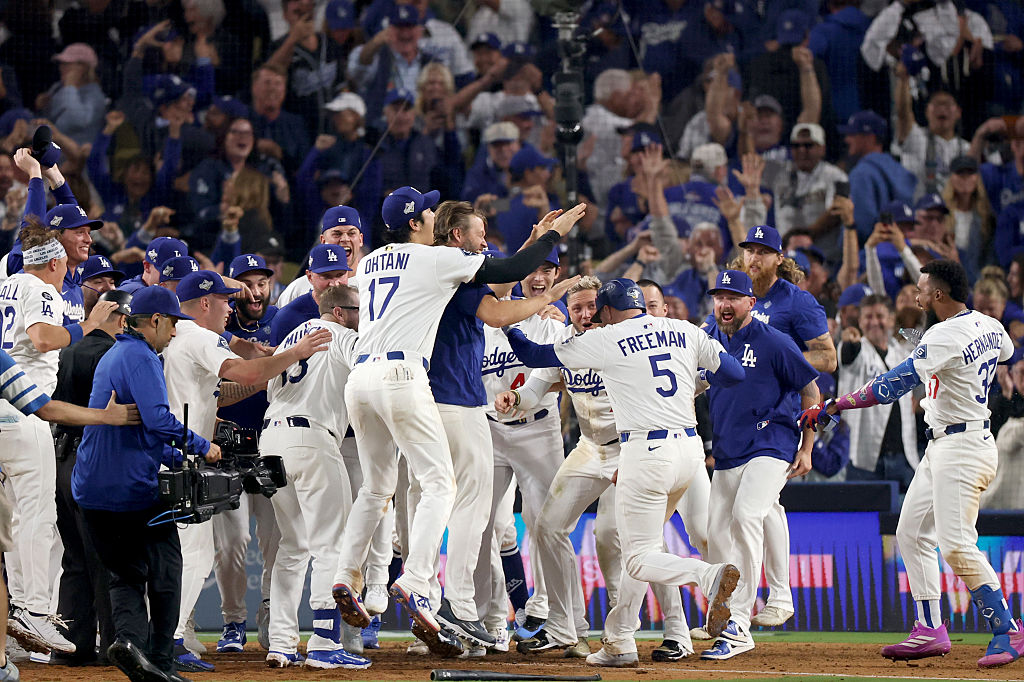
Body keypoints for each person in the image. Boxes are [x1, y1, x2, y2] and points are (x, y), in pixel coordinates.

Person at [330, 186, 585, 655]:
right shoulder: (438, 261)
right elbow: (499, 300)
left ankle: (351, 574)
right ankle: (445, 598)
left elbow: (495, 281)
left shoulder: (373, 262)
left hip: (365, 381)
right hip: (434, 392)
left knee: (385, 491)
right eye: (478, 234)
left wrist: (531, 244)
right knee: (459, 495)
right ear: (425, 226)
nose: (484, 243)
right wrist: (551, 248)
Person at [502, 278, 744, 667]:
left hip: (638, 451)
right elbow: (732, 374)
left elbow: (531, 352)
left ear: (607, 311)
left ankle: (682, 611)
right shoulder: (682, 329)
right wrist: (517, 397)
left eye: (594, 308)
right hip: (655, 447)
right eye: (578, 308)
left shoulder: (606, 338)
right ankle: (597, 633)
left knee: (635, 551)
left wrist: (505, 320)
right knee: (564, 530)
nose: (588, 315)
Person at [801, 260, 1024, 669]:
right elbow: (1007, 352)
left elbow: (892, 385)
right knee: (912, 533)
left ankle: (1007, 628)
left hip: (962, 447)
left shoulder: (942, 335)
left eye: (922, 289)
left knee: (957, 545)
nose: (917, 294)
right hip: (947, 443)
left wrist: (837, 403)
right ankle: (930, 628)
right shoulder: (990, 324)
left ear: (938, 294)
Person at [428, 201, 580, 653]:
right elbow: (502, 282)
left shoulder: (554, 325)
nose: (540, 276)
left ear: (556, 274)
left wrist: (525, 393)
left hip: (538, 431)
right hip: (489, 429)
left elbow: (553, 376)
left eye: (548, 270)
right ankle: (486, 622)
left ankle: (556, 617)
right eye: (534, 268)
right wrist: (534, 246)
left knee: (548, 526)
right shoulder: (489, 312)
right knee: (479, 525)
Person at [163, 270, 333, 673]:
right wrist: (296, 353)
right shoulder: (200, 337)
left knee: (182, 553)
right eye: (225, 300)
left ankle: (165, 635)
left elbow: (221, 392)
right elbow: (248, 372)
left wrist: (259, 382)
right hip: (184, 457)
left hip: (171, 452)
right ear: (205, 303)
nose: (230, 307)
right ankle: (169, 639)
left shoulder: (175, 336)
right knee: (194, 555)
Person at [72, 286, 220, 682]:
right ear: (155, 320)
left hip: (91, 490)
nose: (174, 332)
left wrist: (174, 457)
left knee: (125, 575)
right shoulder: (142, 357)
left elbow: (138, 434)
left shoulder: (113, 354)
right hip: (130, 490)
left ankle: (130, 645)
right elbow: (157, 420)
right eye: (172, 323)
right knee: (168, 571)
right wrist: (202, 446)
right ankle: (163, 661)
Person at [0, 220, 118, 656]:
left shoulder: (7, 284)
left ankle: (13, 614)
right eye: (64, 264)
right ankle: (32, 609)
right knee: (37, 516)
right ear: (52, 263)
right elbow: (44, 338)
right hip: (25, 409)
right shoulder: (41, 289)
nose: (67, 271)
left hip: (4, 406)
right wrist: (89, 324)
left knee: (12, 521)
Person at [0, 333, 140, 679]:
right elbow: (45, 408)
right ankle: (31, 611)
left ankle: (11, 639)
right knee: (37, 519)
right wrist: (107, 417)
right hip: (34, 436)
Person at [700, 269, 820, 660]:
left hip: (773, 441)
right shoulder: (707, 338)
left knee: (747, 515)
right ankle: (724, 610)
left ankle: (739, 621)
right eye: (719, 297)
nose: (724, 304)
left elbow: (811, 390)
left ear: (750, 303)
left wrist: (807, 447)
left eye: (733, 297)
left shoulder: (773, 340)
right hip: (728, 449)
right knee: (715, 532)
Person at [261, 284, 370, 670]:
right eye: (357, 310)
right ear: (339, 312)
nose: (362, 317)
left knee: (292, 546)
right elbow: (370, 372)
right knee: (331, 545)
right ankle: (324, 641)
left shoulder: (291, 338)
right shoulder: (339, 334)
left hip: (270, 441)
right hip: (311, 438)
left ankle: (281, 643)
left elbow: (270, 388)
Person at [51, 290, 133, 665]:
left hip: (59, 457)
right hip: (95, 459)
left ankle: (71, 646)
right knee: (108, 557)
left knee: (75, 558)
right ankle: (116, 648)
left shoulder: (67, 350)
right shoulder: (113, 353)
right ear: (122, 320)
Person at [213, 254, 283, 653]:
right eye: (246, 284)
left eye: (262, 283)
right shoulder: (218, 324)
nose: (255, 292)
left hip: (271, 444)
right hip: (228, 447)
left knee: (276, 540)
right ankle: (233, 621)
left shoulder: (283, 319)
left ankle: (271, 610)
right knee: (232, 542)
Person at [837, 294, 919, 491]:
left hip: (903, 457)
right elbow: (848, 353)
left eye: (879, 316)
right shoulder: (858, 350)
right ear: (860, 321)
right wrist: (849, 341)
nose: (874, 322)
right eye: (868, 317)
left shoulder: (901, 353)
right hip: (864, 462)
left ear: (891, 319)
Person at [277, 205, 364, 307]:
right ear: (323, 240)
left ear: (360, 240)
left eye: (351, 233)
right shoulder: (299, 288)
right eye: (337, 234)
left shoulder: (371, 282)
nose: (345, 239)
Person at [272, 243, 351, 344]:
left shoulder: (360, 309)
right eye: (326, 276)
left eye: (340, 275)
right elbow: (277, 354)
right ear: (310, 277)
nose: (334, 284)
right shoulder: (288, 317)